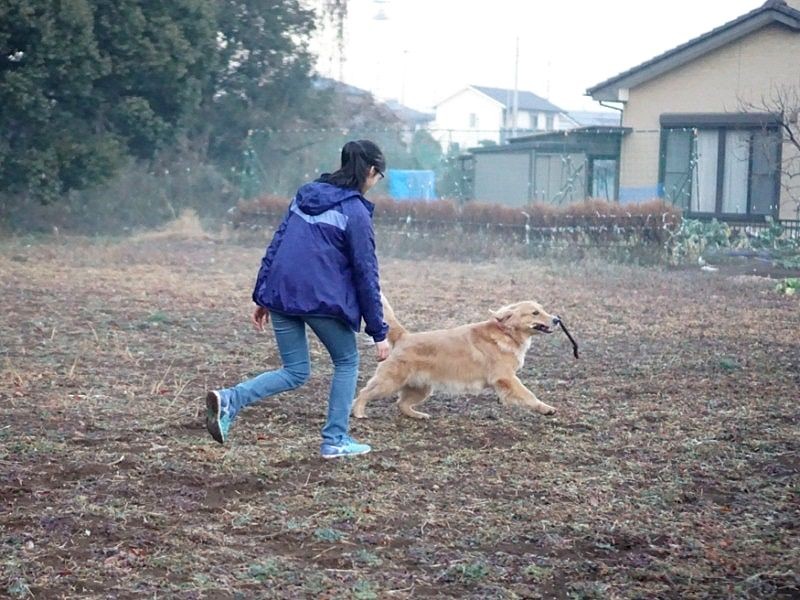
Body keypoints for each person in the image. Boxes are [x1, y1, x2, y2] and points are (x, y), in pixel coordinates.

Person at [206, 140, 391, 458]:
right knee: (347, 361)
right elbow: (365, 272)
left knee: (295, 370)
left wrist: (263, 293)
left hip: (281, 292)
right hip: (319, 298)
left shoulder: (306, 195)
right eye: (379, 176)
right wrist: (379, 332)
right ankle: (335, 440)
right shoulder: (355, 211)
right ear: (372, 171)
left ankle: (230, 400)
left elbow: (279, 243)